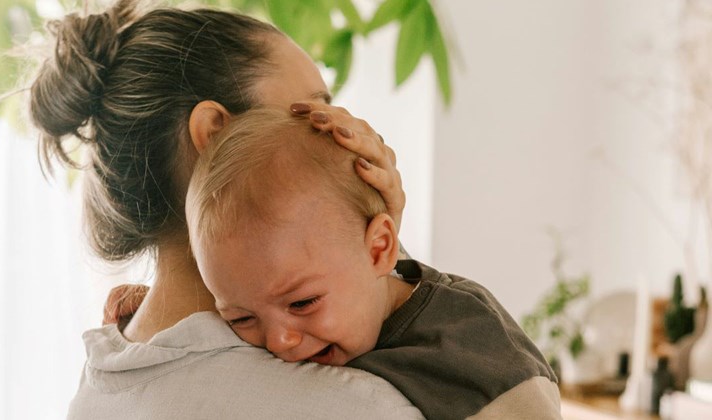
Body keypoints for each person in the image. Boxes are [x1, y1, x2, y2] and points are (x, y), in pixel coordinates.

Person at [28, 1, 421, 419]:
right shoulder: (355, 404)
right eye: (313, 113)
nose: (341, 135)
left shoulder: (97, 391)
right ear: (217, 134)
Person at [183, 108, 563, 420]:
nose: (279, 342)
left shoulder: (476, 355)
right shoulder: (299, 290)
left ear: (380, 250)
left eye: (302, 303)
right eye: (240, 319)